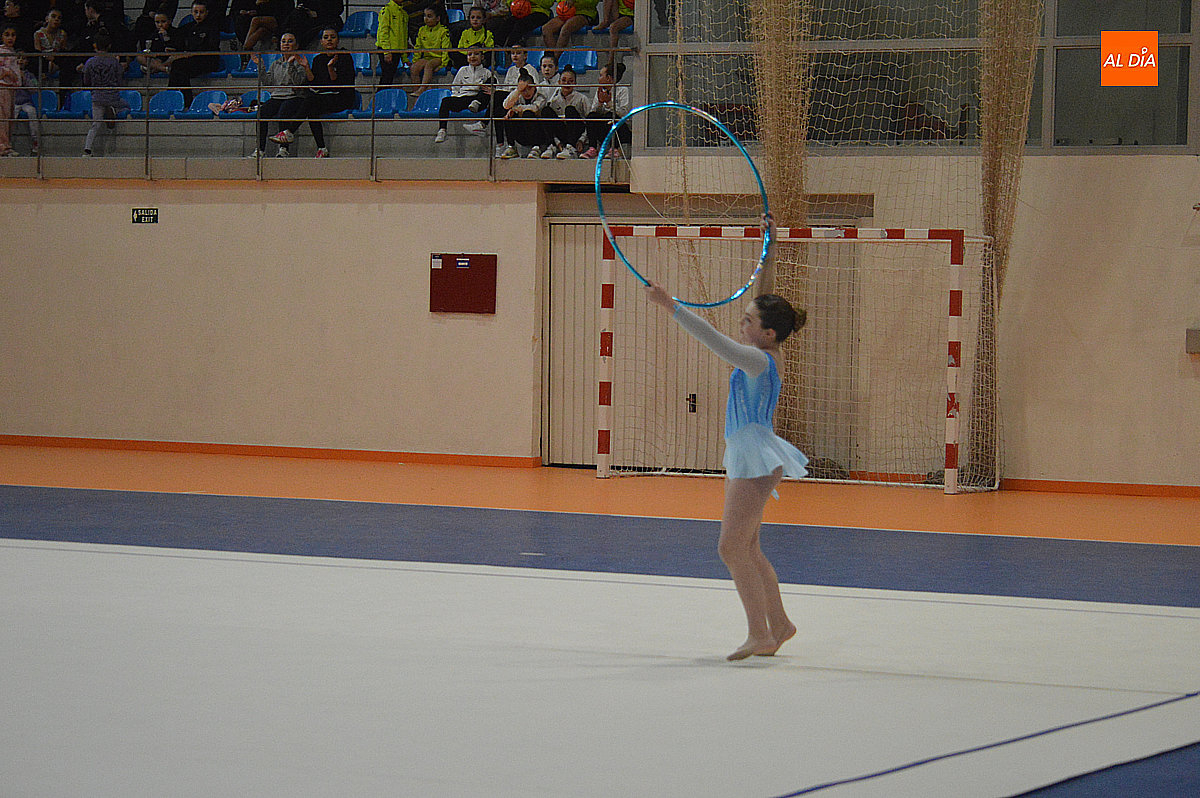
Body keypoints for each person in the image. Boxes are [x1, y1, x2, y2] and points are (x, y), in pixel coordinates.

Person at [643, 215, 808, 662]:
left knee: (731, 547)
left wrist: (670, 305)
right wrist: (768, 248)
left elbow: (714, 341)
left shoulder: (757, 360)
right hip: (750, 452)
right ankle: (779, 625)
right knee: (747, 547)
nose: (741, 322)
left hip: (754, 456)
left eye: (748, 320)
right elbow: (764, 301)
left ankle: (760, 634)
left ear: (767, 333)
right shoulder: (767, 348)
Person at [250, 30, 310, 156]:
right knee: (262, 112)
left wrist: (290, 66)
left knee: (284, 112)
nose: (286, 44)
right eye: (283, 41)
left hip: (294, 96)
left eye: (290, 41)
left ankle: (284, 149)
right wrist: (261, 67)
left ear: (296, 45)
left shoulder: (300, 62)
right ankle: (260, 149)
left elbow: (299, 83)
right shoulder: (275, 63)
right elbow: (268, 83)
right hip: (277, 96)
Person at [303, 26, 354, 157]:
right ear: (321, 42)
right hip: (324, 97)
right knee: (311, 108)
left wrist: (331, 68)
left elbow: (339, 86)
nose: (329, 40)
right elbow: (315, 84)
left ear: (338, 40)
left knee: (310, 102)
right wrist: (307, 68)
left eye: (332, 37)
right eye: (326, 37)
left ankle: (289, 131)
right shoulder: (318, 59)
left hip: (342, 97)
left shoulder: (345, 57)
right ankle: (322, 148)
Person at [79, 31, 128, 156]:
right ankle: (112, 111)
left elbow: (86, 81)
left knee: (96, 123)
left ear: (95, 45)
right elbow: (120, 80)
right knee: (126, 106)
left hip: (97, 97)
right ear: (109, 46)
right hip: (112, 96)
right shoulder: (114, 62)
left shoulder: (90, 62)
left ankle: (87, 149)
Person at [434, 41, 490, 143]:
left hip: (478, 99)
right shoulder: (462, 70)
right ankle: (442, 130)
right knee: (445, 101)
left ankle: (476, 104)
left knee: (490, 85)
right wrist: (456, 97)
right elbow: (455, 86)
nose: (473, 57)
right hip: (464, 98)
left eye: (476, 54)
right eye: (470, 54)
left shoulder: (487, 72)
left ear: (482, 57)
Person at [167, 0, 219, 105]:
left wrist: (191, 53)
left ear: (207, 13)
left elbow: (212, 47)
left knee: (179, 67)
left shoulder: (213, 27)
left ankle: (175, 99)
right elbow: (177, 40)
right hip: (190, 60)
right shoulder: (188, 27)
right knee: (178, 68)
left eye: (201, 12)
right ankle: (177, 99)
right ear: (191, 12)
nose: (198, 15)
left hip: (207, 60)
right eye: (196, 12)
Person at [487, 46, 532, 156]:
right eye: (512, 53)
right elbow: (505, 88)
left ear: (525, 56)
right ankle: (502, 144)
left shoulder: (531, 69)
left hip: (522, 98)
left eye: (518, 53)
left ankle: (484, 123)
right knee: (498, 111)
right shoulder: (511, 70)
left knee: (498, 96)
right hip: (510, 98)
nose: (515, 55)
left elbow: (531, 89)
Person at [536, 62, 586, 158]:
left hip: (576, 132)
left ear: (575, 83)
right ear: (559, 82)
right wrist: (557, 142)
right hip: (562, 133)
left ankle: (571, 148)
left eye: (570, 81)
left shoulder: (582, 98)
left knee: (570, 110)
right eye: (564, 80)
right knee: (546, 110)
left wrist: (582, 140)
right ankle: (551, 146)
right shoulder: (554, 100)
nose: (567, 83)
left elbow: (589, 121)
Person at [405, 4, 448, 109]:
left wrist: (443, 64)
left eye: (429, 16)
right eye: (425, 16)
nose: (426, 19)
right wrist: (415, 61)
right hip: (427, 58)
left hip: (438, 58)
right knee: (414, 68)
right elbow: (418, 48)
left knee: (429, 65)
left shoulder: (443, 31)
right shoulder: (422, 30)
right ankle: (417, 99)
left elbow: (446, 50)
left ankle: (422, 89)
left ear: (437, 18)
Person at [581, 59, 627, 158]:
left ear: (609, 78)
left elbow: (623, 113)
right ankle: (592, 148)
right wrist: (600, 103)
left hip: (618, 126)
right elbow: (593, 111)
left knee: (610, 116)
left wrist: (609, 102)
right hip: (602, 126)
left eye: (601, 75)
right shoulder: (600, 90)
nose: (599, 78)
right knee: (591, 116)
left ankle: (614, 149)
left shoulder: (623, 89)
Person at [497, 66, 545, 157]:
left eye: (529, 88)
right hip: (522, 134)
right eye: (523, 90)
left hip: (539, 133)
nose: (526, 92)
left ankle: (536, 148)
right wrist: (518, 91)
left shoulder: (541, 95)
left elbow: (535, 108)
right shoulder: (518, 94)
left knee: (528, 113)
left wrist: (516, 109)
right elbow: (505, 105)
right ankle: (511, 146)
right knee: (508, 113)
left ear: (534, 86)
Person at [448, 4, 491, 71]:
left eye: (478, 18)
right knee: (455, 53)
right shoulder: (465, 33)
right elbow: (460, 48)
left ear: (484, 20)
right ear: (469, 19)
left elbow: (488, 49)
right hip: (467, 57)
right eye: (473, 17)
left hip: (480, 59)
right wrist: (470, 53)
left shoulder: (488, 34)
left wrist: (475, 53)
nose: (475, 20)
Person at [13, 51, 39, 152]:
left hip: (26, 103)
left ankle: (35, 142)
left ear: (26, 61)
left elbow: (35, 89)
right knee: (9, 117)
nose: (20, 61)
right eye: (18, 58)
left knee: (32, 112)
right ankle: (7, 144)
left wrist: (24, 79)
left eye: (23, 59)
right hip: (13, 103)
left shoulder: (30, 75)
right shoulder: (10, 73)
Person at [135, 11, 175, 76]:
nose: (160, 25)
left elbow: (175, 47)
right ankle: (163, 68)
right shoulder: (154, 34)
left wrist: (166, 37)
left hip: (169, 57)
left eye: (163, 22)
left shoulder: (175, 32)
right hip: (157, 58)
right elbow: (149, 48)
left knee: (174, 58)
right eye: (157, 22)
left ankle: (154, 68)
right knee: (139, 57)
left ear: (169, 21)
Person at [591, 0, 631, 64]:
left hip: (631, 14)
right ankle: (606, 21)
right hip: (619, 13)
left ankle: (611, 61)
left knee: (613, 28)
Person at [0, 24, 19, 156]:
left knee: (9, 117)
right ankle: (3, 147)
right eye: (7, 35)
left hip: (11, 89)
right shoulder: (1, 51)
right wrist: (8, 72)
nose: (10, 38)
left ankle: (6, 145)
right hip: (2, 88)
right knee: (2, 118)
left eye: (13, 35)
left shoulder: (12, 52)